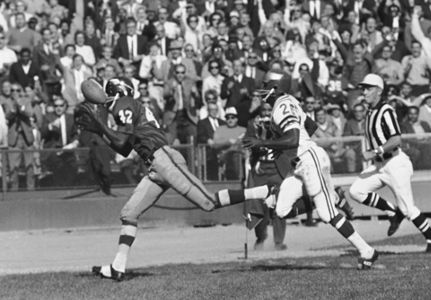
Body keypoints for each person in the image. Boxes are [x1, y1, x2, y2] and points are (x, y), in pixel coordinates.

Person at [75, 77, 282, 280]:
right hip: (155, 166)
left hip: (164, 160)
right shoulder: (129, 106)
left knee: (208, 203)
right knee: (129, 213)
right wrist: (100, 131)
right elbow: (124, 147)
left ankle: (264, 191)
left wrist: (100, 125)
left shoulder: (124, 103)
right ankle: (117, 266)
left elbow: (122, 138)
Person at [242, 83, 378, 270]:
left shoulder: (281, 107)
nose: (260, 95)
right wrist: (278, 139)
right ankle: (332, 196)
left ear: (273, 90)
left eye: (263, 90)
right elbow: (311, 127)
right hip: (299, 166)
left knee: (327, 214)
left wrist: (264, 142)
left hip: (309, 161)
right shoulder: (289, 101)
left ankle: (366, 250)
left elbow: (293, 139)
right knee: (280, 210)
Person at [349, 74, 431, 253]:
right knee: (356, 190)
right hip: (380, 165)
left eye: (368, 88)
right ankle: (392, 211)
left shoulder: (385, 110)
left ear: (379, 91)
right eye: (363, 88)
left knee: (408, 208)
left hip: (394, 162)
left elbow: (396, 139)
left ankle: (430, 238)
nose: (364, 92)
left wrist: (375, 151)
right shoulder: (370, 111)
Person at [245, 102, 287, 250]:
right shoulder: (253, 124)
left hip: (276, 168)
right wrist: (259, 132)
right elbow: (247, 143)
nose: (267, 113)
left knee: (279, 204)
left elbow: (285, 141)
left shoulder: (281, 123)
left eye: (270, 110)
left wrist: (272, 127)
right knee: (258, 205)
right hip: (260, 168)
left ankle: (279, 241)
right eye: (264, 110)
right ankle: (261, 237)